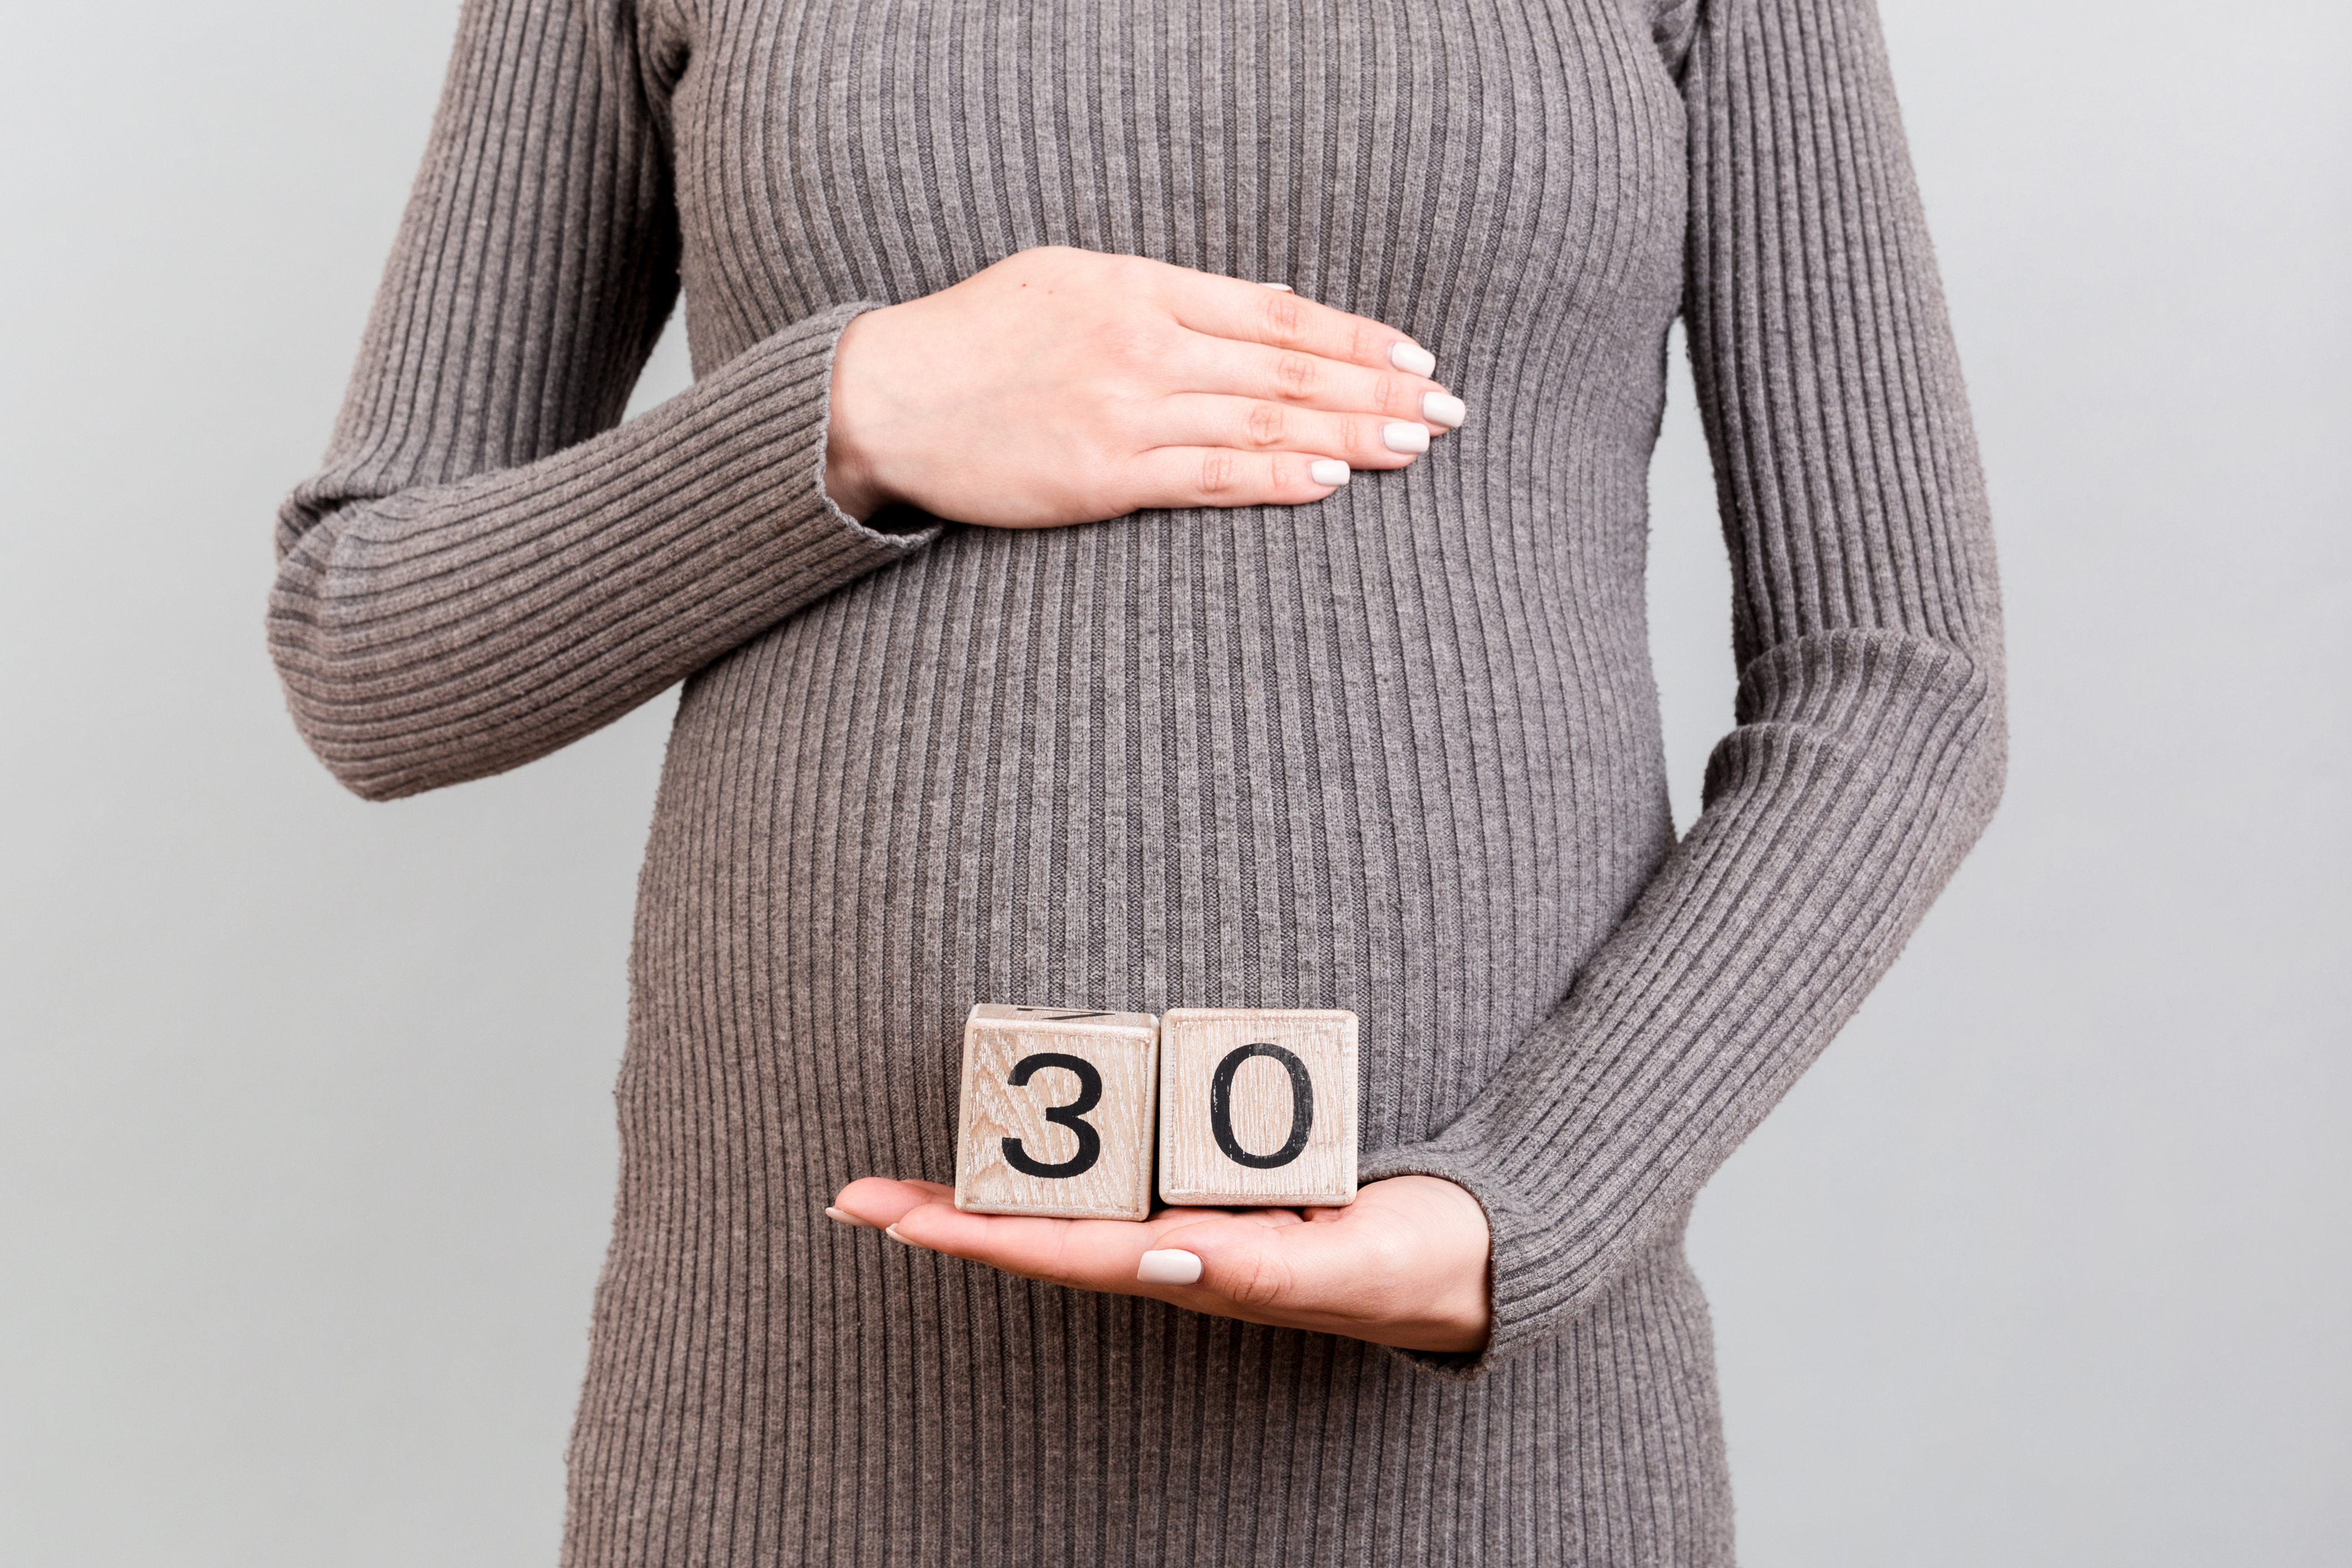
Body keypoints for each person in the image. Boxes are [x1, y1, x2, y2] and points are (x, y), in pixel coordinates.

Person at [269, 0, 2003, 1561]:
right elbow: (367, 651)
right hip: (804, 1431)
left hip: (1485, 1462)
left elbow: (1897, 680)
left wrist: (1526, 1202)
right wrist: (853, 414)